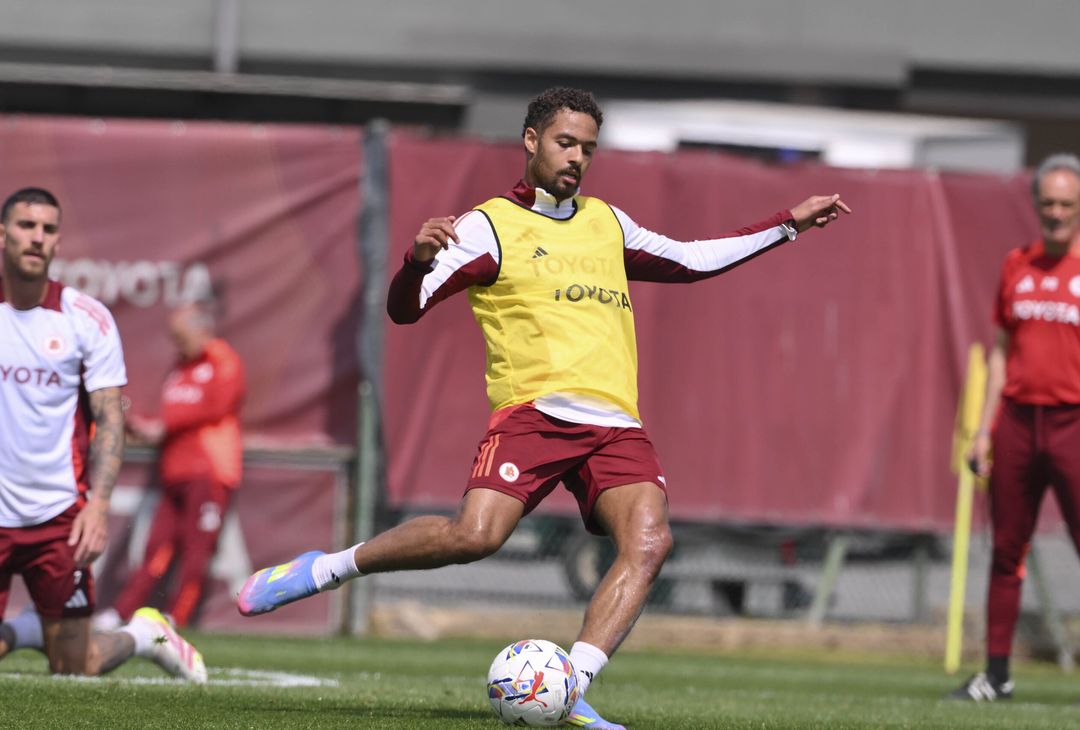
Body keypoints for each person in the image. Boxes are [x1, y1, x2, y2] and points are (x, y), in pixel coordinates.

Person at [236, 87, 849, 728]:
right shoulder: (489, 226)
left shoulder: (608, 223)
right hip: (534, 415)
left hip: (615, 425)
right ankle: (326, 568)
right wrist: (416, 263)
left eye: (588, 147)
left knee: (649, 541)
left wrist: (787, 225)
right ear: (530, 141)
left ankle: (570, 686)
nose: (577, 157)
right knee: (474, 537)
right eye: (565, 142)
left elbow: (693, 260)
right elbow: (405, 309)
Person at [0, 187, 205, 682]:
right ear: (2, 234)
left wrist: (97, 506)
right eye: (26, 226)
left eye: (48, 230)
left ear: (57, 241)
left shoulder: (84, 318)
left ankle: (144, 635)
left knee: (74, 670)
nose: (37, 238)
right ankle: (29, 630)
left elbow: (110, 418)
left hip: (59, 516)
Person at [950, 153, 1080, 702]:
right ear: (1035, 204)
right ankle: (997, 675)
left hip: (1075, 422)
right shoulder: (1016, 265)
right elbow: (1002, 350)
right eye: (1047, 202)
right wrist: (983, 430)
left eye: (1066, 204)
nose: (1055, 213)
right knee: (1007, 551)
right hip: (1020, 424)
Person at [95, 300, 245, 630]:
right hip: (174, 471)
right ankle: (122, 612)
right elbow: (172, 417)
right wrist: (146, 428)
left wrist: (164, 425)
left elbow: (217, 405)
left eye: (181, 336)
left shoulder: (221, 359)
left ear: (201, 330)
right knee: (156, 548)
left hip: (210, 470)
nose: (177, 344)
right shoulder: (179, 368)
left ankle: (177, 617)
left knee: (197, 549)